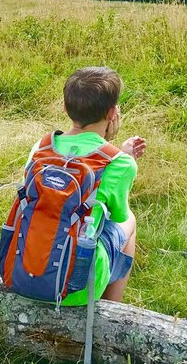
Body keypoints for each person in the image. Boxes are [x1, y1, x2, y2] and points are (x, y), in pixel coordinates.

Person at [23, 66, 146, 305]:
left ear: (65, 107)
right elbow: (117, 216)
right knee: (128, 220)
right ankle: (112, 307)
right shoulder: (120, 164)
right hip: (75, 289)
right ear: (112, 112)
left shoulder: (42, 147)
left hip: (24, 272)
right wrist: (117, 153)